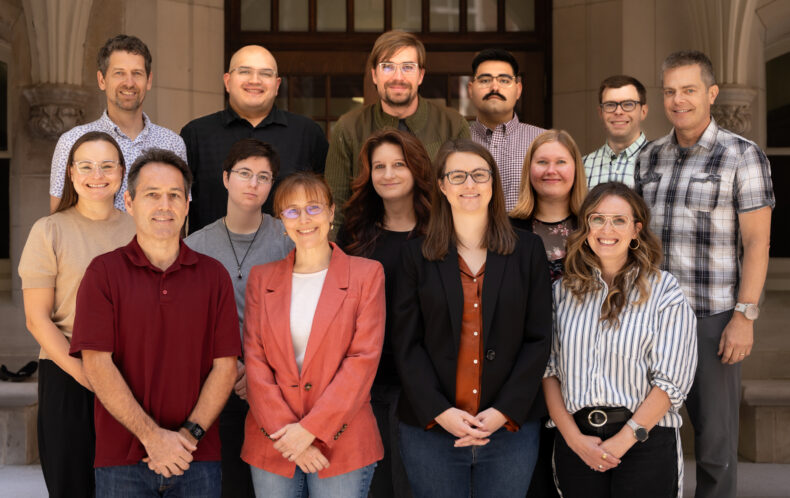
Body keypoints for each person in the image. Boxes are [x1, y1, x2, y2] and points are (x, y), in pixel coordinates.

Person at [635, 50, 774, 498]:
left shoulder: (742, 155)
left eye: (689, 90)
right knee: (648, 435)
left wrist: (744, 316)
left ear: (711, 93)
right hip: (651, 318)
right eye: (671, 91)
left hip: (712, 320)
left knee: (715, 447)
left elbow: (757, 243)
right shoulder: (649, 157)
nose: (678, 100)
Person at [69, 149, 241, 497]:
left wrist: (186, 438)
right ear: (129, 202)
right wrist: (152, 437)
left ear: (187, 203)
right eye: (152, 195)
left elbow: (225, 368)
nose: (165, 205)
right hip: (122, 461)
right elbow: (97, 365)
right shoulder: (103, 274)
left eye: (174, 195)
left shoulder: (214, 276)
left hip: (197, 457)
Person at [392, 138, 552, 498]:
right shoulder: (415, 255)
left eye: (480, 175)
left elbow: (539, 338)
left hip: (508, 428)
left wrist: (503, 411)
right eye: (459, 175)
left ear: (493, 184)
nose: (470, 184)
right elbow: (406, 344)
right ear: (442, 186)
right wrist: (440, 411)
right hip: (431, 429)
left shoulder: (527, 250)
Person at [543, 182, 698, 498]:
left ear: (636, 229)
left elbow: (671, 382)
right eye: (597, 218)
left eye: (619, 220)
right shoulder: (562, 292)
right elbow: (548, 372)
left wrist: (625, 439)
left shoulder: (664, 291)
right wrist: (574, 440)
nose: (606, 229)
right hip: (578, 443)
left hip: (645, 441)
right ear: (585, 227)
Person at [242, 172, 385, 496]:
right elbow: (255, 361)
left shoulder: (366, 275)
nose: (303, 219)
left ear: (332, 212)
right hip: (273, 440)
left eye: (314, 208)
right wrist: (289, 435)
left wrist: (310, 430)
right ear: (281, 221)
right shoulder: (261, 279)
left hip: (343, 441)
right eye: (291, 211)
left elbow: (362, 361)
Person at [19, 131, 136, 497]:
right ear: (71, 173)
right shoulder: (48, 231)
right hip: (68, 375)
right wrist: (88, 376)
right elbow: (37, 319)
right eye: (86, 166)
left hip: (132, 373)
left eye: (106, 166)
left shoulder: (142, 230)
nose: (96, 174)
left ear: (121, 171)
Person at [185, 138, 294, 497]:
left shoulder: (287, 239)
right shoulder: (196, 246)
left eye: (264, 177)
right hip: (216, 382)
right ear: (225, 177)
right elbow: (191, 323)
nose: (253, 183)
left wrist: (260, 371)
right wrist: (232, 367)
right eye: (245, 173)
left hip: (279, 383)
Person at [337, 128, 434, 498]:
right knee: (373, 486)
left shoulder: (439, 233)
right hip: (365, 383)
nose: (388, 174)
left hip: (423, 384)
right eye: (379, 166)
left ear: (416, 170)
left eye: (398, 165)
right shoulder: (355, 232)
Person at [325, 30, 470, 231]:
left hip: (438, 244)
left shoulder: (453, 124)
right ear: (374, 75)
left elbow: (465, 196)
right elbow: (336, 207)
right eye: (388, 67)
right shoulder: (348, 128)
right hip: (367, 246)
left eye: (408, 67)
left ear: (420, 75)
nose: (398, 77)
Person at [180, 45, 328, 233]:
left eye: (265, 74)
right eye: (245, 71)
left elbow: (324, 202)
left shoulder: (307, 134)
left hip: (288, 257)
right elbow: (178, 204)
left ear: (277, 85)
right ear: (227, 81)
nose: (255, 80)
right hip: (209, 258)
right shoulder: (195, 135)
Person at [49, 34, 186, 213]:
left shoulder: (172, 144)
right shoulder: (72, 141)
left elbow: (179, 213)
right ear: (102, 80)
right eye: (119, 73)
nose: (129, 83)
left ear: (149, 80)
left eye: (137, 73)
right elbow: (59, 219)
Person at [467, 48, 545, 210]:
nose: (494, 87)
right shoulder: (456, 139)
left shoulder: (542, 141)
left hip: (527, 235)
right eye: (485, 80)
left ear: (518, 89)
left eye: (504, 80)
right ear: (470, 90)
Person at [510, 129, 587, 281]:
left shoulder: (594, 227)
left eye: (561, 162)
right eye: (542, 162)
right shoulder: (506, 230)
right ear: (529, 169)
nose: (551, 170)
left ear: (576, 169)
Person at [583, 75, 649, 188]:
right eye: (610, 105)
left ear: (643, 111)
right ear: (600, 113)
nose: (618, 112)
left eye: (628, 104)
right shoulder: (582, 166)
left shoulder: (664, 162)